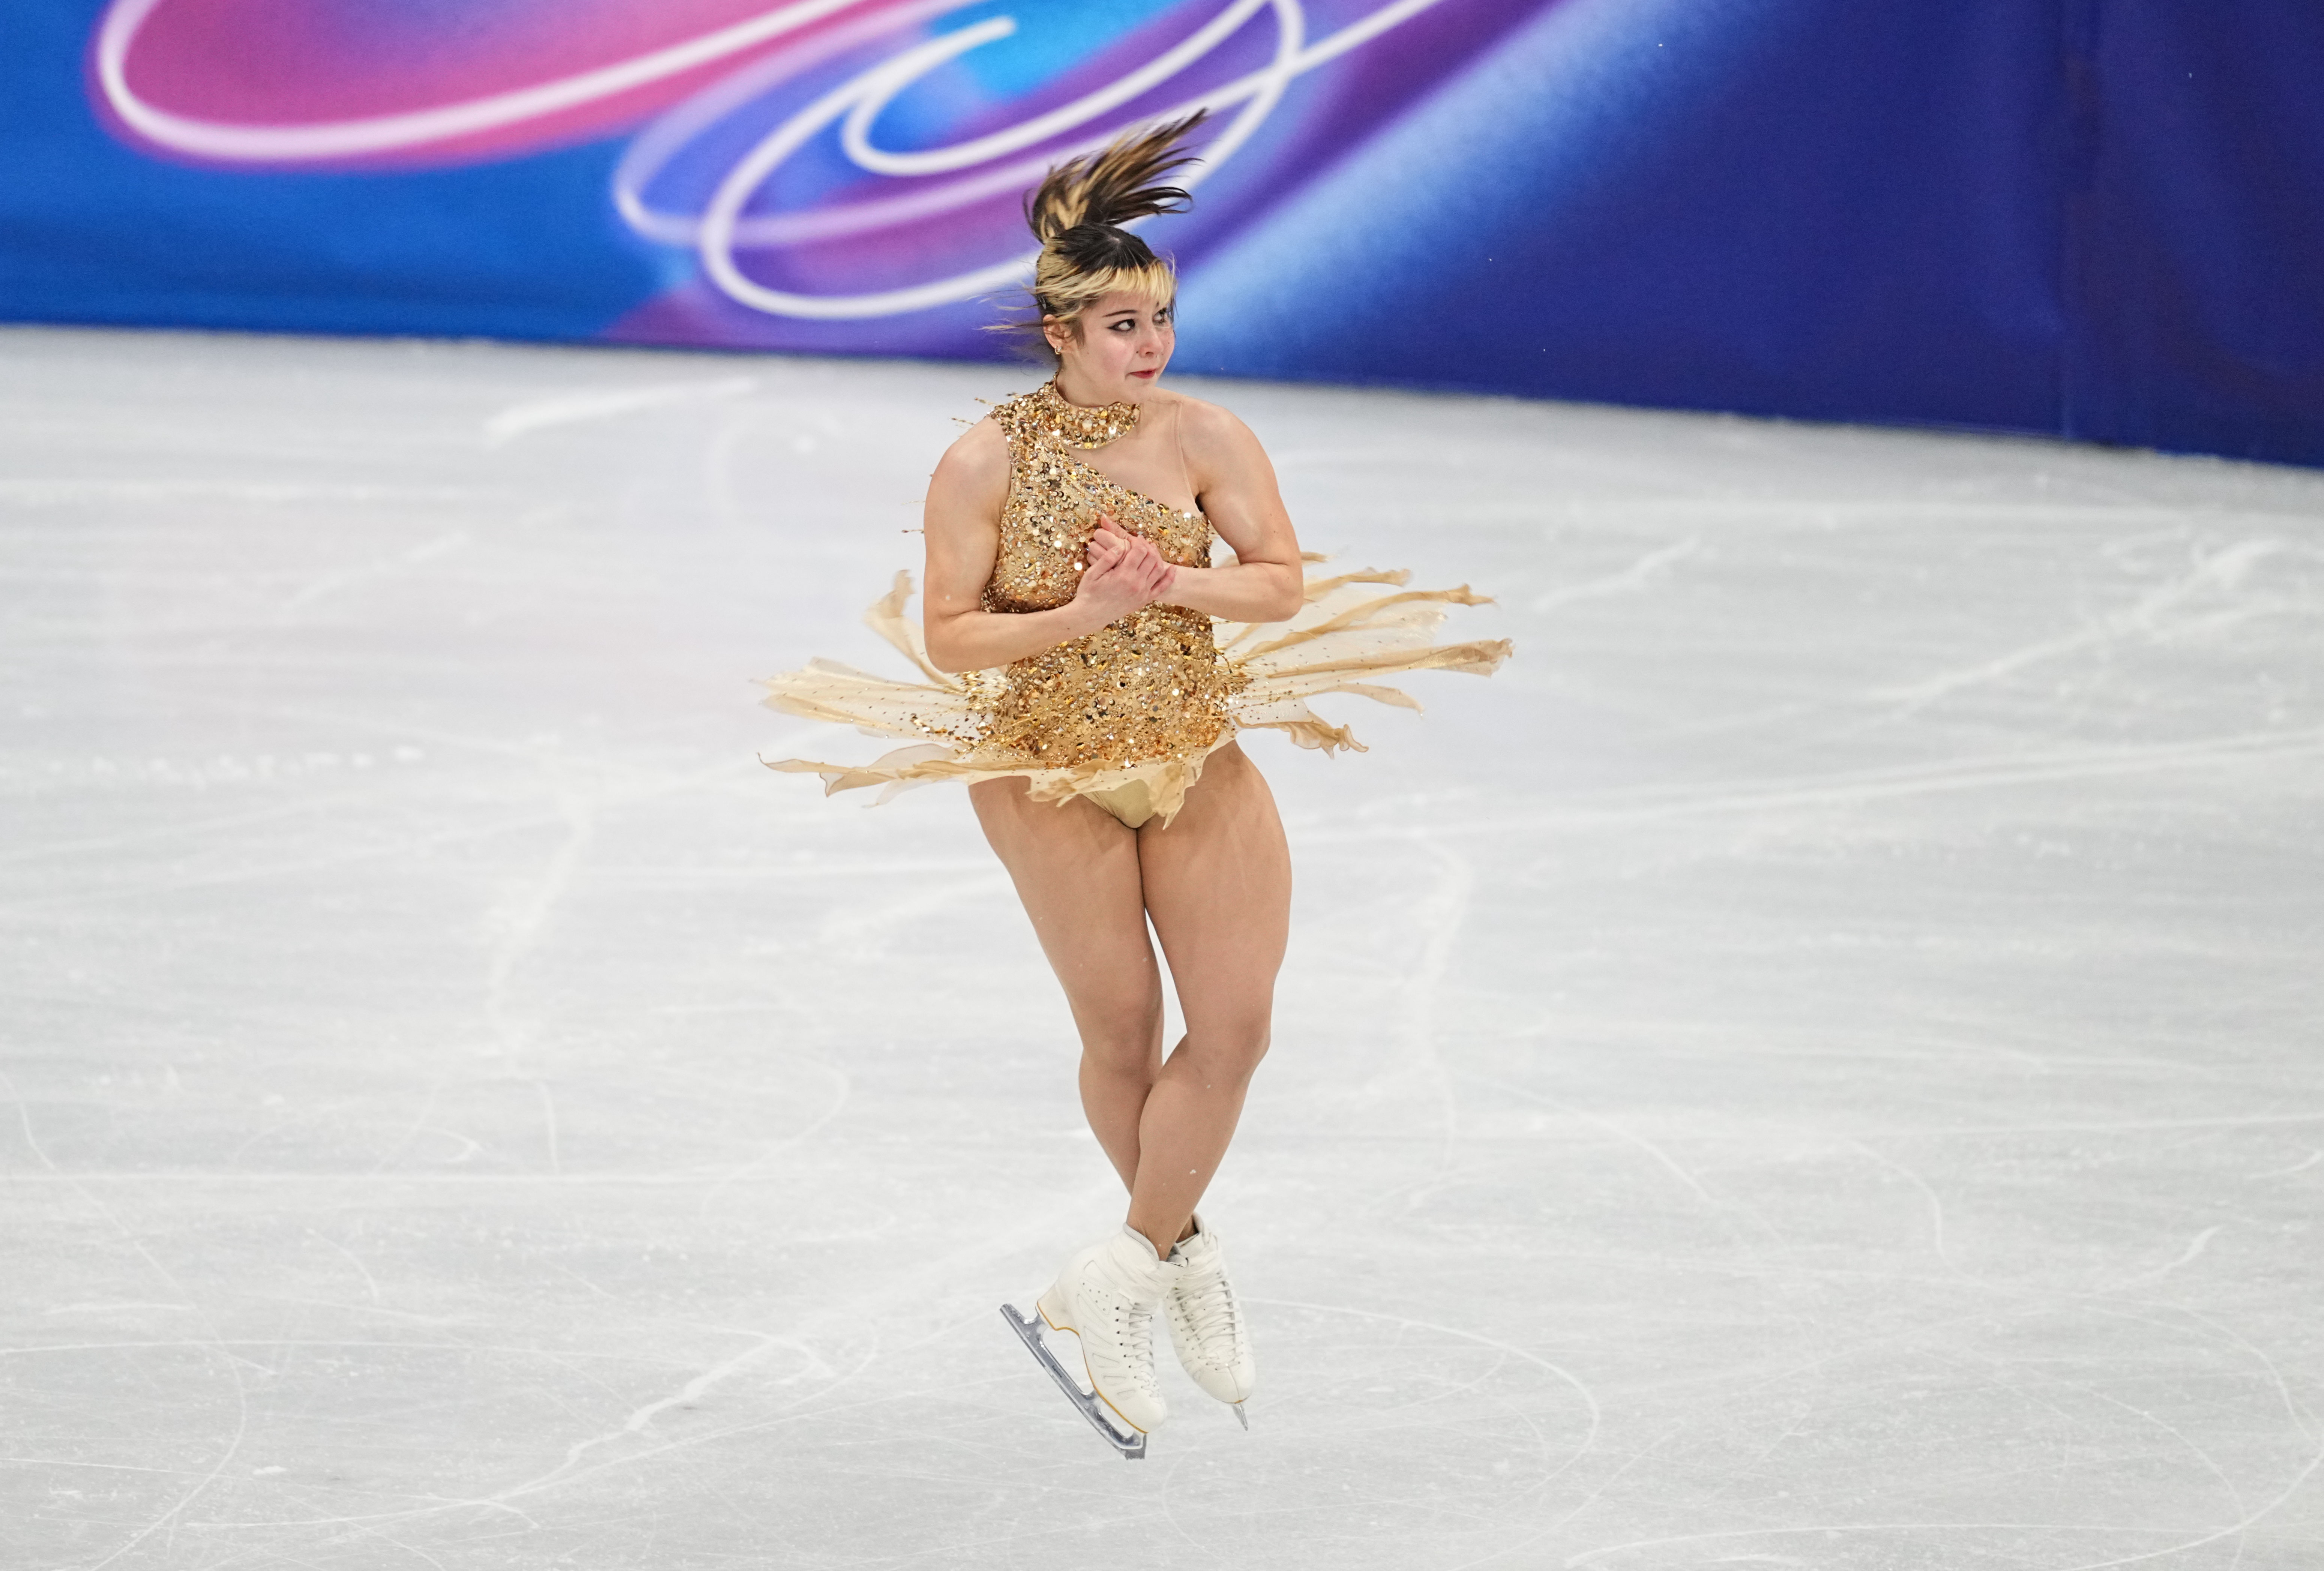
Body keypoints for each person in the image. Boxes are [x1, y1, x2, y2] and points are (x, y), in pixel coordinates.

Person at [760, 114, 1509, 1443]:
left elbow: (1277, 583)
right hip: (1046, 771)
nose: (1149, 343)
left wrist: (1174, 581)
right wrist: (1082, 614)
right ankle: (1179, 1256)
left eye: (1158, 317)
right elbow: (950, 633)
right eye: (1119, 324)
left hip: (1194, 751)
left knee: (1234, 1030)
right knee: (1119, 1032)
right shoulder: (982, 459)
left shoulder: (1207, 435)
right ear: (1060, 332)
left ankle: (1121, 1270)